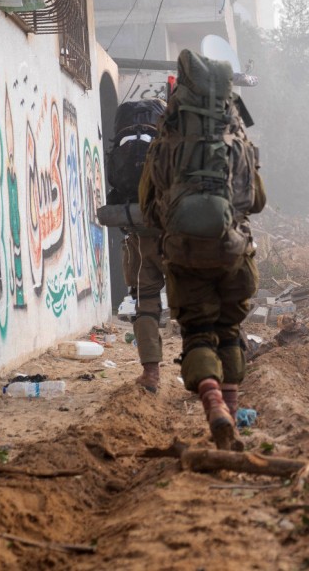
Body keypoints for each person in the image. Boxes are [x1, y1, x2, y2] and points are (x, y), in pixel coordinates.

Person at [140, 50, 266, 450]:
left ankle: (212, 404)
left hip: (184, 255)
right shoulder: (239, 140)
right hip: (235, 254)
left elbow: (146, 203)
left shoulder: (168, 139)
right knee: (228, 331)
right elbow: (258, 201)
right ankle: (231, 411)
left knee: (197, 333)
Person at [104, 99, 168, 393]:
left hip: (140, 236)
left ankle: (151, 373)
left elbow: (115, 193)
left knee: (145, 303)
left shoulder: (123, 149)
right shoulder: (175, 145)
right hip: (176, 237)